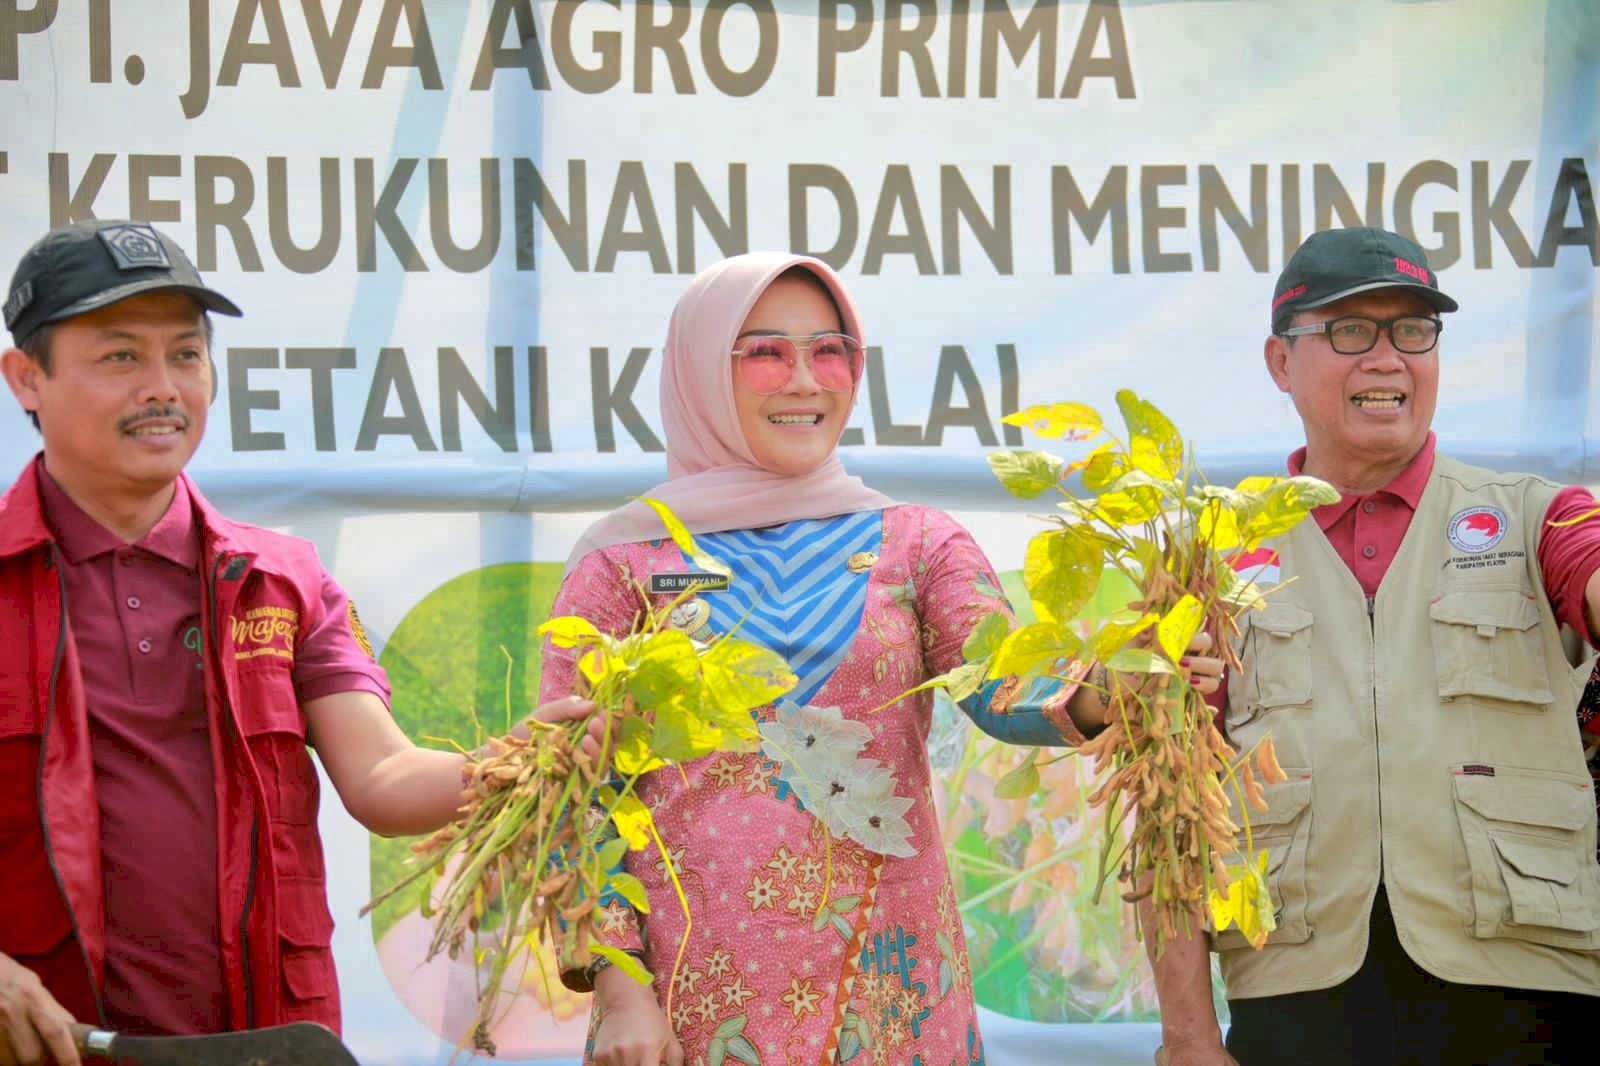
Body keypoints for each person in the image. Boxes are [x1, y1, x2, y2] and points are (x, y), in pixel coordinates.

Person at [541, 252, 1224, 1066]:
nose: (804, 380)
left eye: (828, 351)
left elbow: (1000, 686)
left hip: (897, 998)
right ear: (697, 371)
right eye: (765, 352)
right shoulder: (621, 568)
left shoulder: (919, 545)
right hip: (693, 1012)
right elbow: (570, 796)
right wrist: (622, 990)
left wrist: (1117, 686)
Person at [0, 220, 595, 1066]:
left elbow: (382, 778)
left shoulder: (281, 578)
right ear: (27, 378)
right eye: (120, 357)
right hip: (52, 1041)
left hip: (269, 1040)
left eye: (186, 355)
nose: (163, 388)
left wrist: (527, 761)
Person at [1149, 227, 1600, 1066]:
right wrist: (1187, 1035)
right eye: (1350, 330)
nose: (1388, 357)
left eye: (1412, 330)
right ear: (1281, 363)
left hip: (1526, 991)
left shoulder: (1541, 515)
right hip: (1298, 996)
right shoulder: (1205, 560)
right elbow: (1169, 808)